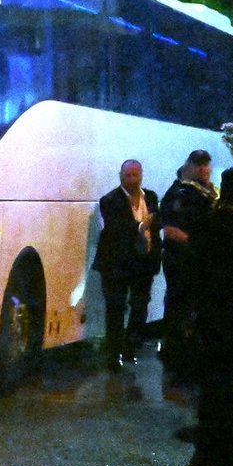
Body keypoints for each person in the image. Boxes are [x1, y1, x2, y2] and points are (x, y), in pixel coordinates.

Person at [132, 165, 233, 466]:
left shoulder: (207, 223)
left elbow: (191, 270)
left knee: (212, 390)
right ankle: (225, 455)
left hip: (209, 319)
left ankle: (208, 453)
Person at [92, 159, 161, 371]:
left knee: (140, 306)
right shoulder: (110, 200)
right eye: (127, 175)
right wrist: (141, 226)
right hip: (117, 263)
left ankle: (130, 347)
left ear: (141, 175)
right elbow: (117, 228)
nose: (131, 179)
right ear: (120, 176)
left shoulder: (150, 197)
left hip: (143, 261)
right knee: (115, 308)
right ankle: (114, 354)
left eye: (135, 175)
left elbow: (156, 225)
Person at [158, 150, 218, 383]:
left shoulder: (206, 191)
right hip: (183, 261)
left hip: (197, 261)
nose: (204, 169)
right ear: (190, 166)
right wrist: (198, 246)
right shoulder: (181, 193)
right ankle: (175, 358)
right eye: (199, 165)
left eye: (207, 165)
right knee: (179, 307)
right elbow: (172, 231)